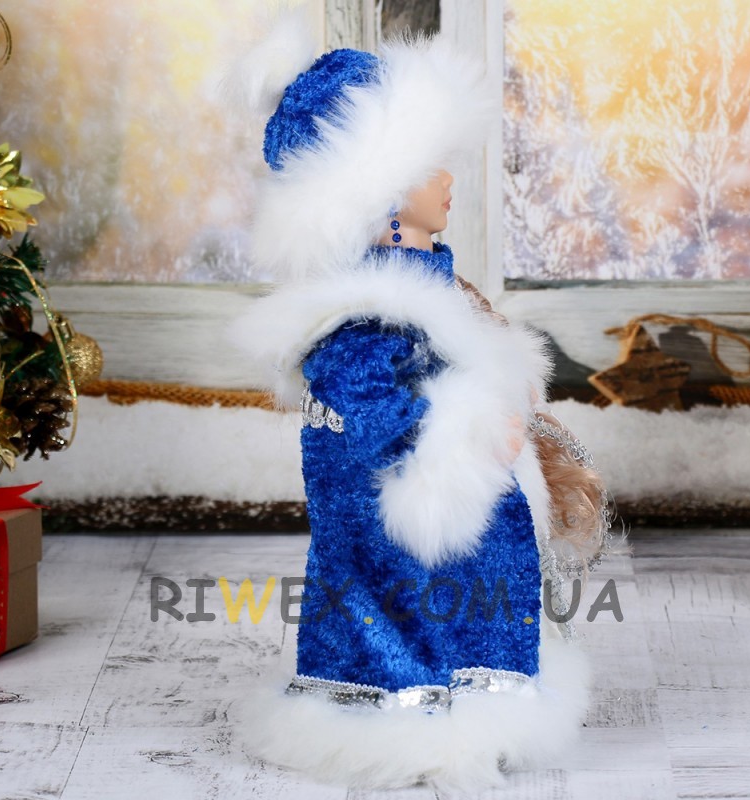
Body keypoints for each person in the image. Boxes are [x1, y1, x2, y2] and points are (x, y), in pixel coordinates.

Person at [231, 11, 607, 791]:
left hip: (450, 551)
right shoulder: (365, 320)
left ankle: (466, 691)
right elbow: (367, 438)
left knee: (464, 600)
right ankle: (414, 705)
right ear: (381, 194)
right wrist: (474, 439)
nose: (447, 179)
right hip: (408, 551)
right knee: (412, 606)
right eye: (428, 165)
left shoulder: (424, 291)